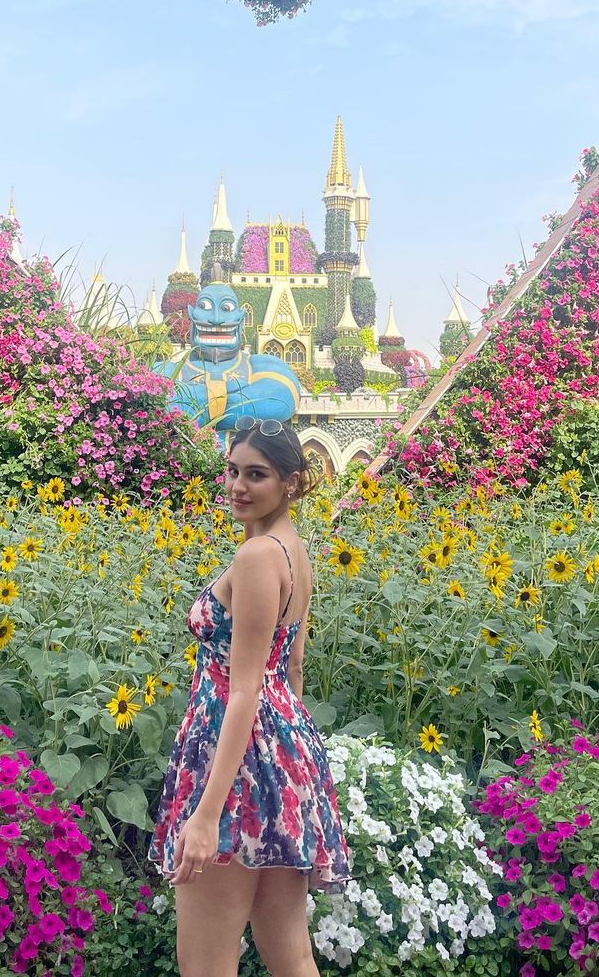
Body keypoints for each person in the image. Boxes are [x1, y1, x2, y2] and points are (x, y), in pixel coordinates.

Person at [149, 416, 352, 976]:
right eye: (233, 470)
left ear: (291, 482)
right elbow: (293, 668)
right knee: (289, 952)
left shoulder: (258, 557)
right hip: (281, 752)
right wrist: (291, 767)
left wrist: (206, 815)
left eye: (256, 474)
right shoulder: (291, 549)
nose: (237, 485)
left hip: (234, 758)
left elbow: (244, 690)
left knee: (204, 963)